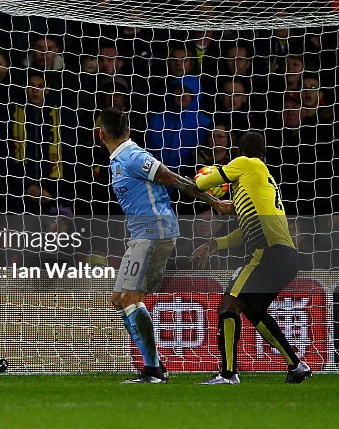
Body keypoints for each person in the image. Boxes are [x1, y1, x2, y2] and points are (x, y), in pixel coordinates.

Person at [100, 107, 233, 384]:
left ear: (99, 134)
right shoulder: (118, 159)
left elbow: (173, 179)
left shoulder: (133, 155)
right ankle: (155, 366)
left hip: (155, 231)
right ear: (129, 130)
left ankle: (153, 370)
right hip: (141, 233)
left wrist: (215, 202)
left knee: (129, 298)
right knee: (119, 300)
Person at [192, 132, 313, 385]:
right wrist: (215, 244)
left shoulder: (245, 164)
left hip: (267, 253)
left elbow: (203, 182)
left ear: (238, 151)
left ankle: (228, 374)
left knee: (228, 305)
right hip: (287, 256)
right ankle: (296, 365)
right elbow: (243, 232)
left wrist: (206, 172)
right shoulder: (262, 180)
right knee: (253, 310)